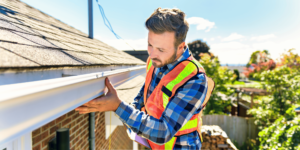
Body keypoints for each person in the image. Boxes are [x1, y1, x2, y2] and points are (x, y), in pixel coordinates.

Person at [75, 7, 214, 149]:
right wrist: (131, 111)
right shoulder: (155, 61)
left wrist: (117, 106)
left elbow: (163, 132)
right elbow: (144, 95)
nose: (152, 54)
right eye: (150, 45)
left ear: (180, 47)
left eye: (161, 49)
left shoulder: (195, 79)